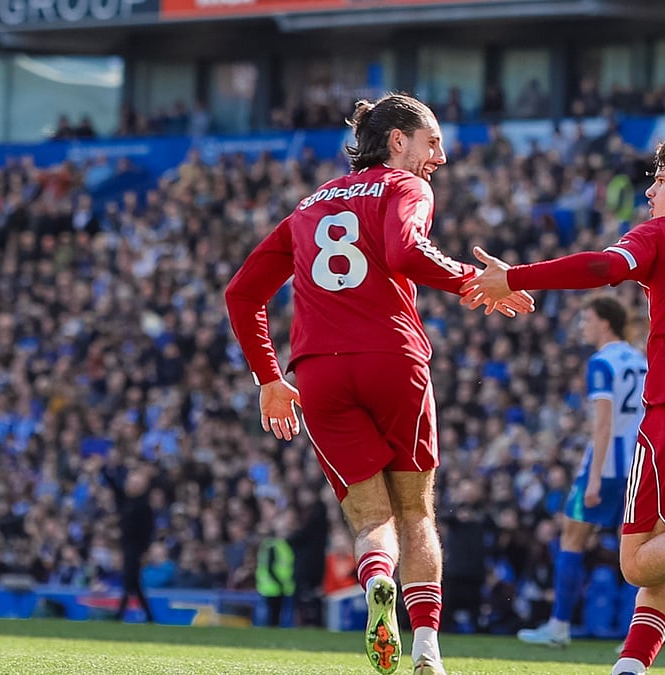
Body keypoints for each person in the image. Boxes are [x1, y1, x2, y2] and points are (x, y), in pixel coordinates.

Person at [462, 127, 665, 675]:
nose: (650, 192)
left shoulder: (663, 233)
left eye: (660, 181)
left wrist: (514, 276)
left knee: (639, 563)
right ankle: (630, 668)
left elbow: (603, 269)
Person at [224, 93, 533, 675]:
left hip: (318, 370)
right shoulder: (406, 188)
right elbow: (405, 251)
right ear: (398, 140)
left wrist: (269, 378)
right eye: (432, 141)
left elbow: (241, 294)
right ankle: (426, 652)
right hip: (392, 358)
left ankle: (376, 585)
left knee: (371, 520)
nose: (439, 156)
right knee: (416, 512)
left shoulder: (308, 206)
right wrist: (476, 281)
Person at [517, 295, 648, 647]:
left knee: (572, 539)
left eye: (587, 319)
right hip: (640, 461)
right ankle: (639, 634)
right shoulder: (639, 360)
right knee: (638, 547)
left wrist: (593, 478)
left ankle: (559, 626)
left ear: (605, 321)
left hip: (606, 464)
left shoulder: (601, 363)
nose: (582, 326)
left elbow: (603, 425)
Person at [100, 463, 155, 623]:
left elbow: (147, 531)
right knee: (134, 584)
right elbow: (115, 487)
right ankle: (149, 616)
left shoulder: (144, 506)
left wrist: (145, 551)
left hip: (135, 547)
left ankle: (120, 613)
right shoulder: (125, 501)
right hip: (127, 546)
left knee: (129, 581)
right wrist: (105, 469)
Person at [257, 511, 297, 627]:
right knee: (273, 619)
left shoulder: (280, 545)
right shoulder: (273, 545)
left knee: (276, 618)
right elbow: (270, 567)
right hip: (274, 587)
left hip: (279, 587)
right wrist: (281, 583)